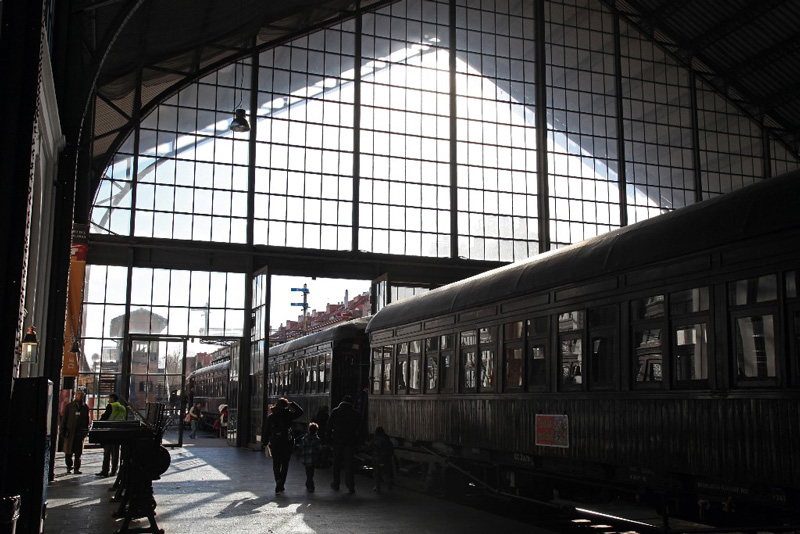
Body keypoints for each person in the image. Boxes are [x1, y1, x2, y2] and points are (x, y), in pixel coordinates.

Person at [264, 397, 303, 493]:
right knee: (285, 463)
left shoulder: (271, 417)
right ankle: (281, 483)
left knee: (276, 462)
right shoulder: (288, 415)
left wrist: (265, 442)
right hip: (287, 441)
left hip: (275, 441)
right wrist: (292, 404)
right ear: (286, 405)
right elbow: (300, 412)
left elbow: (267, 431)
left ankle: (278, 480)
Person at [326, 395, 360, 494]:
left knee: (337, 463)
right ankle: (350, 485)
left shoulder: (335, 411)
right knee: (349, 464)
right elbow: (360, 428)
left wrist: (328, 441)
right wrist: (358, 442)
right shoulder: (355, 413)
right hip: (350, 442)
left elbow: (329, 427)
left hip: (337, 441)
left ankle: (336, 483)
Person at [96, 393, 127, 478]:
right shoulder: (122, 408)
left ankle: (105, 470)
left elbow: (105, 417)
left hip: (109, 431)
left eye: (109, 398)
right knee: (115, 452)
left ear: (112, 399)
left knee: (107, 452)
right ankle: (114, 471)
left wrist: (100, 421)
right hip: (118, 432)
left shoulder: (111, 406)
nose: (108, 400)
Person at [60, 388, 91, 474]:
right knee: (68, 451)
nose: (79, 395)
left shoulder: (85, 408)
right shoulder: (69, 406)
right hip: (70, 432)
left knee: (78, 452)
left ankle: (76, 468)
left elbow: (87, 420)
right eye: (78, 394)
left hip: (79, 433)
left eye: (81, 394)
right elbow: (64, 419)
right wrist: (63, 431)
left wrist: (85, 431)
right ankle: (69, 466)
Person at [298, 422, 324, 492]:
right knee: (311, 473)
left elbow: (301, 447)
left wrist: (300, 456)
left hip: (306, 459)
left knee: (308, 472)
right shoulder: (317, 439)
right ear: (316, 431)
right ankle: (310, 485)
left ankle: (308, 484)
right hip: (313, 459)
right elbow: (320, 449)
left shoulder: (304, 438)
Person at [368, 427, 394, 492]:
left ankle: (377, 487)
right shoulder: (387, 439)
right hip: (386, 458)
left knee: (377, 473)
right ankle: (389, 481)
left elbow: (370, 447)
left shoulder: (374, 439)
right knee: (386, 471)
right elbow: (391, 449)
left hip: (376, 459)